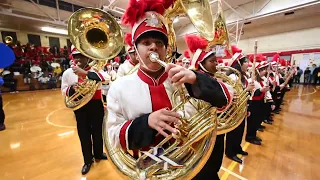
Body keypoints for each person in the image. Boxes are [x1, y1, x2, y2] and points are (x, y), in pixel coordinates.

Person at [107, 1, 231, 180]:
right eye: (146, 42)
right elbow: (112, 137)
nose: (153, 47)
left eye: (159, 42)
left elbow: (226, 100)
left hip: (193, 163)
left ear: (166, 49)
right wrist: (147, 122)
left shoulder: (184, 77)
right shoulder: (119, 87)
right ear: (135, 48)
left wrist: (197, 79)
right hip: (150, 169)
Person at [184, 34, 234, 178]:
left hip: (217, 129)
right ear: (200, 64)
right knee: (204, 164)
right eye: (212, 61)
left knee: (216, 159)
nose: (216, 63)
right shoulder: (194, 83)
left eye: (216, 60)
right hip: (202, 133)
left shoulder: (214, 79)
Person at [61, 45, 110, 175]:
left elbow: (106, 79)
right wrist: (72, 89)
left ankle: (98, 153)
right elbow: (63, 90)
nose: (79, 59)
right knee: (84, 134)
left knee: (98, 131)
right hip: (80, 106)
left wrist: (85, 73)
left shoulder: (96, 70)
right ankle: (87, 160)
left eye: (82, 55)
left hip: (96, 104)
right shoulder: (67, 73)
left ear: (88, 57)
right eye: (76, 56)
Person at [225, 51, 254, 163]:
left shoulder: (243, 76)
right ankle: (230, 152)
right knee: (233, 132)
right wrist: (247, 90)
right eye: (245, 61)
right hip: (234, 110)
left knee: (240, 130)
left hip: (242, 107)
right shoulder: (233, 76)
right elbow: (234, 95)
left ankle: (237, 148)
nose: (248, 63)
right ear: (238, 63)